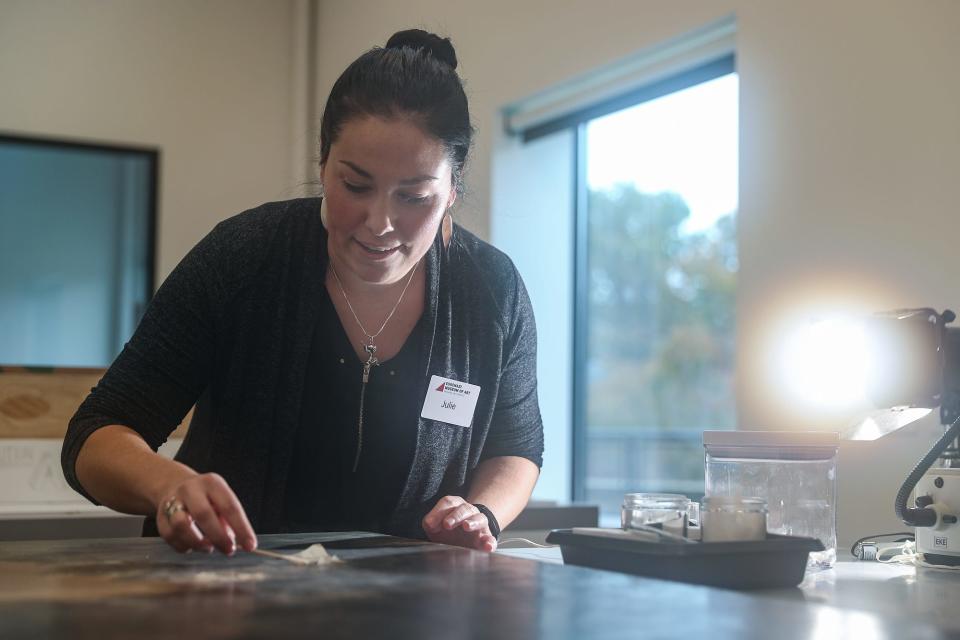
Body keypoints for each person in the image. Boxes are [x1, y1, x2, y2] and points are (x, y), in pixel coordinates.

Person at [61, 29, 543, 556]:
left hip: (412, 610)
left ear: (452, 188)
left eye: (414, 196)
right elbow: (96, 434)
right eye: (355, 185)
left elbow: (515, 448)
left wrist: (482, 512)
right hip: (227, 598)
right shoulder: (245, 257)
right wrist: (168, 487)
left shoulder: (491, 291)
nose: (379, 222)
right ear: (323, 165)